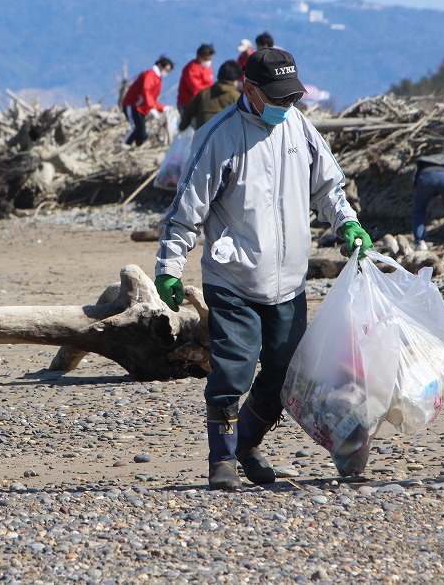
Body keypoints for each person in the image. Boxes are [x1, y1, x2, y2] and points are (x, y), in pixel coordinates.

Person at [154, 48, 372, 491]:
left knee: (283, 373)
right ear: (249, 90)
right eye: (276, 98)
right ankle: (222, 459)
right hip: (233, 277)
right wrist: (169, 266)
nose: (284, 106)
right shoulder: (218, 137)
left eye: (290, 97)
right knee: (233, 369)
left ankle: (246, 444)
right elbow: (186, 210)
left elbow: (329, 187)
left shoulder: (299, 129)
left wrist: (347, 224)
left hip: (289, 282)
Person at [121, 56, 174, 146]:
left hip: (141, 109)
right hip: (133, 105)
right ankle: (124, 146)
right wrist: (151, 108)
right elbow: (146, 91)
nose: (166, 73)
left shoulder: (157, 79)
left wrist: (162, 108)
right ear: (160, 65)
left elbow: (152, 99)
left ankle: (136, 149)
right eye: (166, 69)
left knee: (142, 134)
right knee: (136, 128)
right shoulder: (150, 75)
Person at [178, 60, 241, 132]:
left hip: (203, 138)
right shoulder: (237, 98)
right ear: (236, 79)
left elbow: (188, 112)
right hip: (226, 140)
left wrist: (181, 127)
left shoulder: (204, 93)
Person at [176, 44, 215, 114]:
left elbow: (210, 84)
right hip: (188, 104)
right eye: (206, 59)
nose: (208, 61)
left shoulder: (207, 68)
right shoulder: (191, 69)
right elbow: (196, 89)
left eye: (210, 59)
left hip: (203, 102)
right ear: (199, 57)